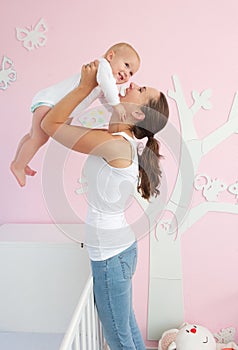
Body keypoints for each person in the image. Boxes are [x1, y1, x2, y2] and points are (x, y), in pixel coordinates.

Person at [41, 60, 169, 350]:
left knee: (119, 339)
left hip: (111, 257)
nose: (133, 84)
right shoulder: (116, 140)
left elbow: (51, 124)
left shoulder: (114, 145)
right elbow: (64, 121)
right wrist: (91, 91)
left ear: (138, 112)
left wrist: (85, 86)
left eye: (141, 88)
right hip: (117, 251)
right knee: (127, 330)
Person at [10, 42, 140, 187]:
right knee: (38, 138)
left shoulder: (106, 81)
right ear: (111, 56)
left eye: (131, 73)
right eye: (126, 65)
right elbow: (108, 88)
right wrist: (117, 105)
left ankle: (19, 161)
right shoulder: (102, 67)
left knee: (32, 136)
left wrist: (114, 109)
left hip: (50, 103)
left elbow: (105, 98)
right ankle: (18, 165)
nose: (127, 74)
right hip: (50, 103)